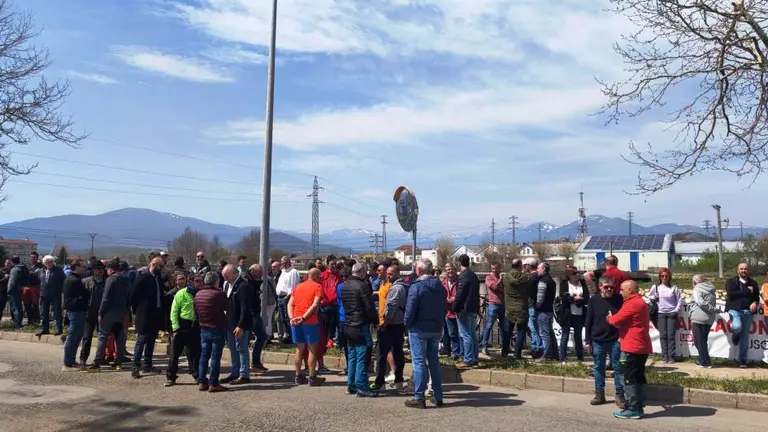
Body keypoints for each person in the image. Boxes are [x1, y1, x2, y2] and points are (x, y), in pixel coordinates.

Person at [404, 259, 447, 409]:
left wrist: (407, 324)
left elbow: (410, 310)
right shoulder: (440, 287)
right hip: (436, 328)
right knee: (434, 362)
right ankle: (438, 395)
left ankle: (419, 397)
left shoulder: (416, 287)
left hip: (419, 328)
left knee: (419, 363)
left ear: (420, 271)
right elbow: (444, 308)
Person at [607, 280, 652, 420]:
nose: (619, 292)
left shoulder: (632, 303)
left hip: (632, 346)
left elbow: (616, 321)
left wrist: (609, 317)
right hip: (640, 345)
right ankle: (638, 405)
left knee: (628, 377)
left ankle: (633, 408)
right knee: (637, 376)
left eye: (621, 289)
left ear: (630, 290)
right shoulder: (639, 302)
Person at [84, 258, 131, 372]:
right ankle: (118, 361)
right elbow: (129, 297)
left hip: (109, 311)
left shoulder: (111, 279)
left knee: (103, 336)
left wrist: (101, 312)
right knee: (119, 336)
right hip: (121, 311)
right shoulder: (126, 279)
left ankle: (97, 362)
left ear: (110, 269)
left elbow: (106, 297)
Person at [584, 276, 624, 407]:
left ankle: (619, 395)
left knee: (618, 368)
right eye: (606, 287)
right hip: (597, 340)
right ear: (600, 287)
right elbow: (588, 321)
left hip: (615, 340)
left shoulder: (619, 299)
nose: (609, 290)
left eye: (612, 287)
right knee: (598, 368)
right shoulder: (594, 300)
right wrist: (588, 341)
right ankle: (599, 394)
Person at [340, 263, 378, 397]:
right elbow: (369, 306)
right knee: (362, 355)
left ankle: (351, 385)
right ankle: (362, 386)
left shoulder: (345, 285)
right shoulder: (363, 286)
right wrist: (376, 321)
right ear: (361, 272)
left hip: (348, 323)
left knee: (352, 355)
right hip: (360, 324)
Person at [130, 257, 166, 378]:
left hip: (155, 314)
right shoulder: (143, 277)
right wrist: (137, 310)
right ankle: (135, 366)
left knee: (151, 341)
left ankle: (147, 364)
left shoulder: (157, 278)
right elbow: (133, 296)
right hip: (144, 315)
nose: (161, 269)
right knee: (142, 340)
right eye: (160, 266)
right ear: (153, 264)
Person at [373, 265, 408, 391]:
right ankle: (398, 380)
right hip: (397, 324)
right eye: (387, 273)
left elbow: (392, 306)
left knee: (382, 353)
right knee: (396, 352)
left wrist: (385, 322)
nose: (388, 276)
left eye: (391, 274)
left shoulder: (396, 288)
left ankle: (380, 382)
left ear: (398, 273)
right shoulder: (397, 285)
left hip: (391, 324)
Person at [288, 268, 325, 386]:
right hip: (309, 322)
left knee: (299, 349)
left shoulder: (298, 286)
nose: (321, 279)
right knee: (312, 350)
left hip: (296, 321)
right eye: (320, 277)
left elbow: (290, 303)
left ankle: (298, 376)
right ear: (315, 277)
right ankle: (312, 377)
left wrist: (292, 318)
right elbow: (315, 304)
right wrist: (304, 317)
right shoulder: (317, 287)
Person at [195, 271, 229, 393]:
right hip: (217, 328)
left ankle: (202, 381)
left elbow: (196, 310)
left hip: (203, 327)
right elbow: (227, 307)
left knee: (204, 356)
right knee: (215, 357)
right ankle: (213, 383)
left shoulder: (198, 294)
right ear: (216, 281)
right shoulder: (218, 294)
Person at [165, 273, 201, 387]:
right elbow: (174, 312)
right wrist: (175, 328)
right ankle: (171, 377)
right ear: (191, 282)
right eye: (197, 281)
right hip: (182, 327)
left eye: (201, 281)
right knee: (174, 355)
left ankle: (197, 375)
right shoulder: (181, 294)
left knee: (194, 354)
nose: (200, 283)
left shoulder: (200, 294)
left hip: (194, 327)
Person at [221, 264, 252, 385]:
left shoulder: (244, 286)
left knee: (241, 349)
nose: (225, 279)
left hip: (240, 324)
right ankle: (235, 372)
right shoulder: (227, 285)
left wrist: (241, 326)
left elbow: (245, 308)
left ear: (234, 273)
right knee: (233, 349)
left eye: (227, 276)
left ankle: (244, 374)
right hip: (229, 323)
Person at [725, 262, 760, 368]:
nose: (743, 270)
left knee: (745, 337)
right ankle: (736, 335)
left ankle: (742, 360)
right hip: (734, 310)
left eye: (745, 269)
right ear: (738, 270)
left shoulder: (753, 282)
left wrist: (755, 302)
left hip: (748, 312)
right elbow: (731, 294)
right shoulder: (731, 281)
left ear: (747, 270)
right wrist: (746, 290)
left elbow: (756, 297)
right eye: (741, 269)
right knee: (737, 327)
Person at [648, 267, 682, 363]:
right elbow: (650, 297)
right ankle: (664, 356)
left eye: (666, 276)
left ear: (669, 277)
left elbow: (679, 300)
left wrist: (676, 310)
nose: (664, 278)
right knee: (663, 335)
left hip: (672, 313)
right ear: (659, 277)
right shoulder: (655, 287)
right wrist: (654, 296)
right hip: (660, 313)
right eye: (662, 276)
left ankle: (671, 356)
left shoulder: (674, 287)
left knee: (671, 335)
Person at [453, 254, 480, 369]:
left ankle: (468, 359)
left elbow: (460, 294)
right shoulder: (473, 275)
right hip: (473, 307)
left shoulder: (463, 276)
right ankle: (474, 357)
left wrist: (455, 307)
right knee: (472, 334)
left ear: (459, 263)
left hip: (464, 308)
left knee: (465, 334)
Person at [62, 259, 88, 371]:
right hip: (75, 311)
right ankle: (68, 361)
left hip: (78, 311)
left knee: (77, 336)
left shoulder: (76, 279)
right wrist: (82, 299)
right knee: (73, 337)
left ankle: (71, 360)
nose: (84, 268)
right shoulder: (73, 280)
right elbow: (69, 299)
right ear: (76, 267)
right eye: (83, 266)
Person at [501, 258, 530, 359]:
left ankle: (504, 352)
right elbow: (529, 289)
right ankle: (517, 354)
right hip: (521, 306)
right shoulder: (525, 277)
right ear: (520, 265)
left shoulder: (505, 277)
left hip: (509, 307)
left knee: (508, 331)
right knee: (521, 331)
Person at [79, 260, 107, 366]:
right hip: (89, 312)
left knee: (102, 337)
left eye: (102, 269)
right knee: (87, 337)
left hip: (103, 313)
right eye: (98, 269)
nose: (100, 271)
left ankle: (99, 358)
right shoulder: (85, 281)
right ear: (94, 270)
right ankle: (83, 358)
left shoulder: (107, 282)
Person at [560, 265, 588, 363]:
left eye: (577, 273)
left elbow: (586, 298)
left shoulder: (582, 283)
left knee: (578, 336)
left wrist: (579, 300)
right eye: (574, 274)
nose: (577, 275)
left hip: (579, 313)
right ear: (569, 275)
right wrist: (574, 299)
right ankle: (563, 358)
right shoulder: (564, 284)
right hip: (568, 313)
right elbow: (563, 298)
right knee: (565, 336)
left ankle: (580, 357)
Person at [481, 262, 509, 357]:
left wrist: (501, 285)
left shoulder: (502, 278)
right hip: (493, 304)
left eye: (496, 268)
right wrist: (500, 280)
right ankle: (484, 346)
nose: (494, 270)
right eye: (493, 269)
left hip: (502, 304)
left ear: (499, 268)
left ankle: (505, 347)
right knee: (488, 326)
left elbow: (505, 289)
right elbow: (494, 287)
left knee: (504, 327)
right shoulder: (489, 278)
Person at [690, 274, 717, 368]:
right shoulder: (711, 288)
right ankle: (703, 360)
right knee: (703, 341)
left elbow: (700, 302)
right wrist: (712, 310)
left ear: (694, 282)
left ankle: (705, 362)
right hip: (709, 318)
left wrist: (710, 308)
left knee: (699, 341)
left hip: (698, 316)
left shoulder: (697, 288)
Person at [38, 255, 66, 336]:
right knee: (44, 312)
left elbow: (64, 281)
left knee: (57, 312)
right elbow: (39, 280)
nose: (49, 263)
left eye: (51, 262)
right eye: (47, 262)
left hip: (55, 294)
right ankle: (45, 329)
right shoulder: (41, 271)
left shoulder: (58, 270)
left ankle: (59, 329)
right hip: (44, 294)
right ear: (44, 263)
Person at [536, 262, 558, 361]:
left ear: (543, 269)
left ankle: (547, 355)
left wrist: (536, 307)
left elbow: (540, 298)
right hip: (549, 310)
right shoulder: (551, 281)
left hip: (543, 311)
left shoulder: (543, 281)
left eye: (538, 268)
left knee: (544, 334)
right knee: (550, 333)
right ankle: (555, 354)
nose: (537, 270)